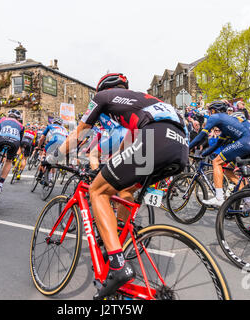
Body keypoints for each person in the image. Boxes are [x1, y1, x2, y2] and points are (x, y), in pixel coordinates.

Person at [47, 73, 188, 299]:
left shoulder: (104, 96)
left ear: (102, 89)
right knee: (125, 189)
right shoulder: (143, 101)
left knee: (97, 190)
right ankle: (120, 238)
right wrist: (112, 169)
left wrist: (53, 157)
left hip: (155, 139)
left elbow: (80, 133)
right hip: (180, 147)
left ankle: (117, 264)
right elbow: (127, 145)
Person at [189, 101, 250, 207]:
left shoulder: (215, 117)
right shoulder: (227, 122)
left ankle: (219, 197)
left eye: (210, 111)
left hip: (247, 142)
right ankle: (247, 199)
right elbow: (218, 144)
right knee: (229, 170)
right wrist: (204, 154)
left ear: (214, 110)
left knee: (216, 162)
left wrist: (187, 148)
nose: (209, 114)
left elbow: (201, 136)